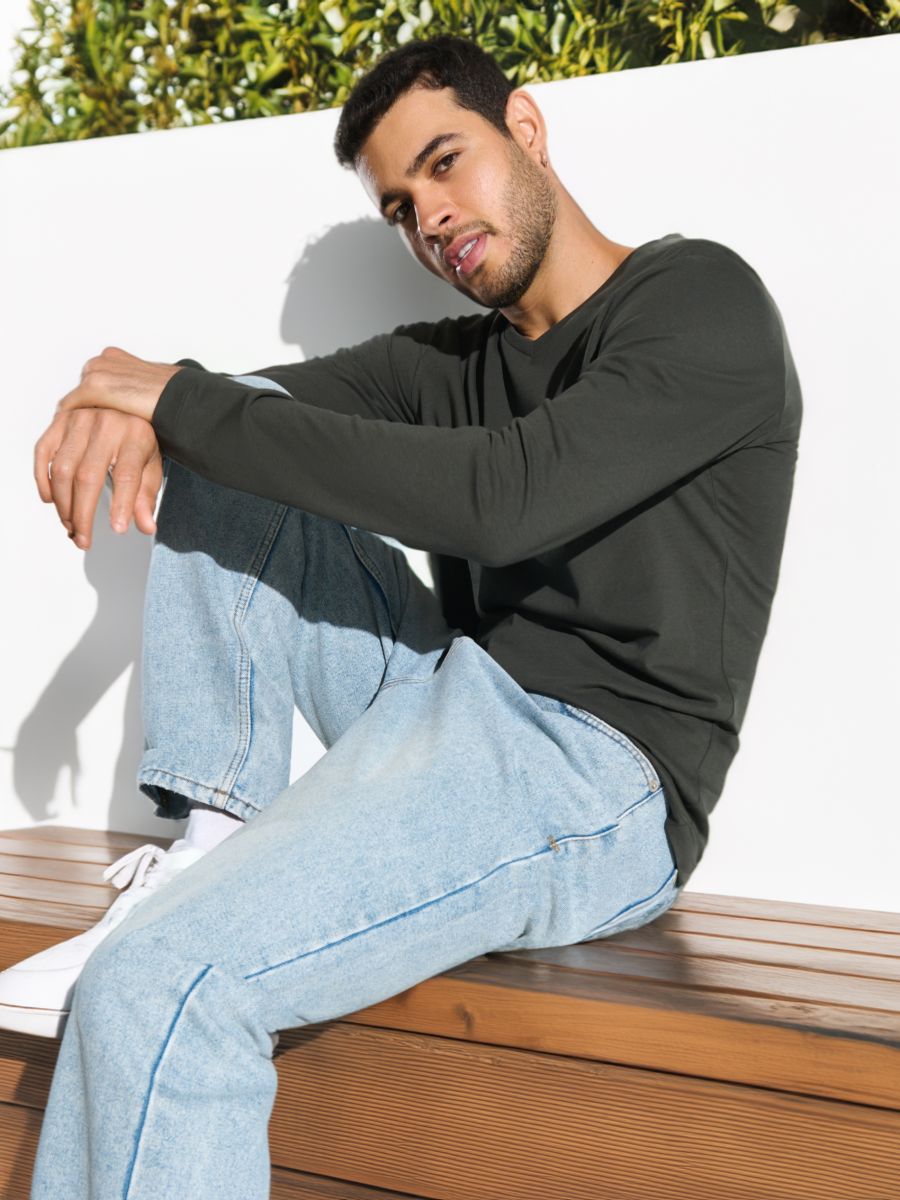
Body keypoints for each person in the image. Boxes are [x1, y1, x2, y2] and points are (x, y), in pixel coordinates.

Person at [6, 32, 801, 1199]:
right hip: (454, 706)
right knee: (231, 444)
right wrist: (130, 399)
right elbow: (236, 409)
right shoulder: (456, 363)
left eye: (445, 162)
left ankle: (190, 924)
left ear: (525, 128)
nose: (428, 216)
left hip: (597, 781)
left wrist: (167, 396)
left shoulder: (698, 301)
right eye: (398, 205)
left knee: (159, 986)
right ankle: (214, 842)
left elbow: (506, 502)